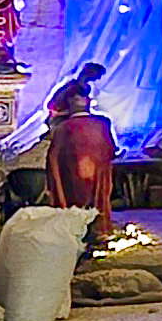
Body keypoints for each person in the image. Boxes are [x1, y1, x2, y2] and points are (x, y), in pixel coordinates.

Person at [41, 71, 118, 243]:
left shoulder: (97, 124)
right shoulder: (96, 124)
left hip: (83, 175)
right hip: (82, 174)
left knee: (80, 205)